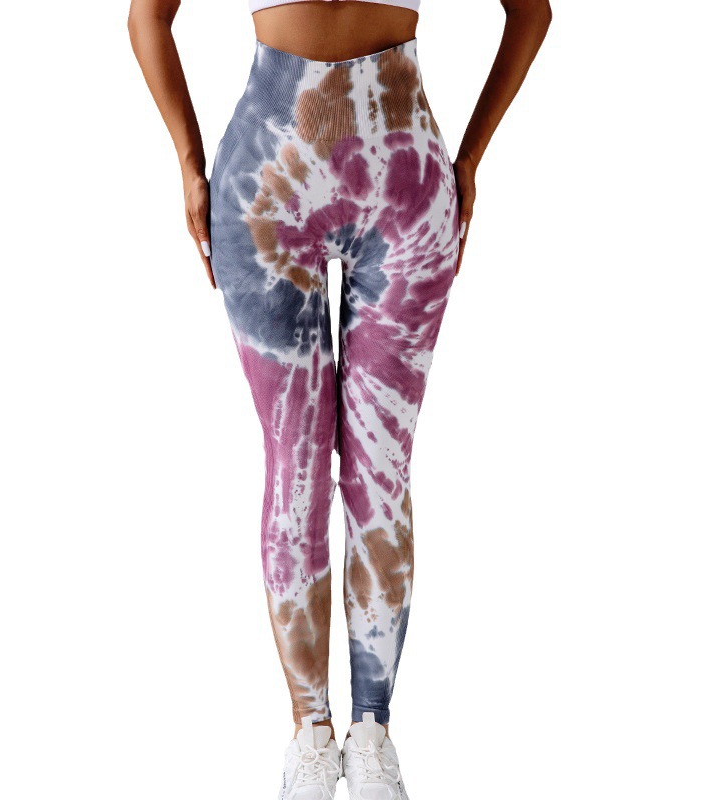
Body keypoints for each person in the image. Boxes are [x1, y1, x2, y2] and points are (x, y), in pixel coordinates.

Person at [128, 1, 551, 797]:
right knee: (295, 468)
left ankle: (372, 732)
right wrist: (187, 162)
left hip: (405, 194)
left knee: (379, 471)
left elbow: (530, 11)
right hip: (265, 188)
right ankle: (310, 735)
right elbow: (148, 14)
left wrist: (470, 160)